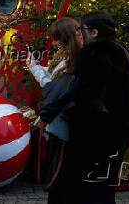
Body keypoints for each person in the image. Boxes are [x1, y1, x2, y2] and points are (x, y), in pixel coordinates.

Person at [64, 12, 129, 204]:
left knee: (89, 185)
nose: (78, 33)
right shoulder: (123, 50)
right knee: (106, 184)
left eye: (81, 29)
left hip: (97, 129)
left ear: (94, 32)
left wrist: (50, 114)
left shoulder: (91, 53)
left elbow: (78, 91)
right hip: (120, 127)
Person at [26, 17, 83, 203]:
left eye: (57, 38)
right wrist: (36, 67)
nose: (55, 42)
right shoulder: (66, 56)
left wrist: (34, 69)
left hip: (62, 121)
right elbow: (53, 78)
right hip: (58, 119)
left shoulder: (72, 60)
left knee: (59, 167)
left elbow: (52, 88)